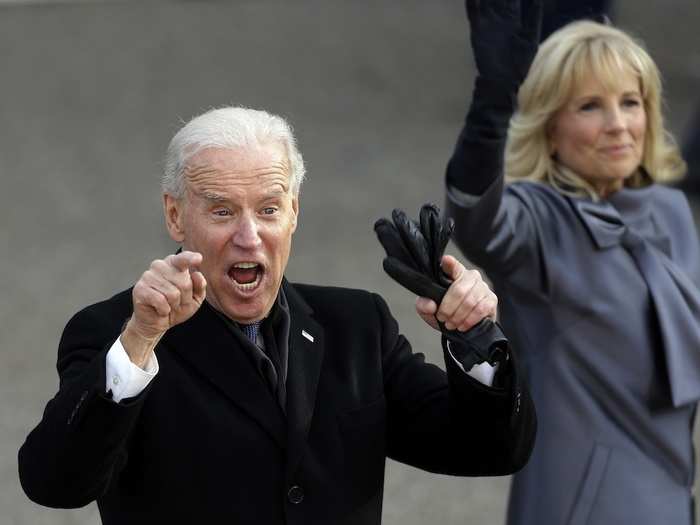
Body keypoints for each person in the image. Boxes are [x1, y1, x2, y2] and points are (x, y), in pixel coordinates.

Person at [19, 106, 535, 524]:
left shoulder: (357, 326)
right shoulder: (118, 334)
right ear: (176, 215)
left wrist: (474, 336)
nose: (249, 236)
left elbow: (490, 451)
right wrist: (140, 337)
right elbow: (56, 484)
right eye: (222, 211)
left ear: (294, 212)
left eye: (268, 209)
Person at [445, 1, 700, 524]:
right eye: (589, 107)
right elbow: (477, 216)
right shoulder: (536, 221)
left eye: (631, 102)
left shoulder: (669, 212)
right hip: (578, 504)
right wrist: (491, 111)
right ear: (549, 126)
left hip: (671, 494)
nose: (618, 124)